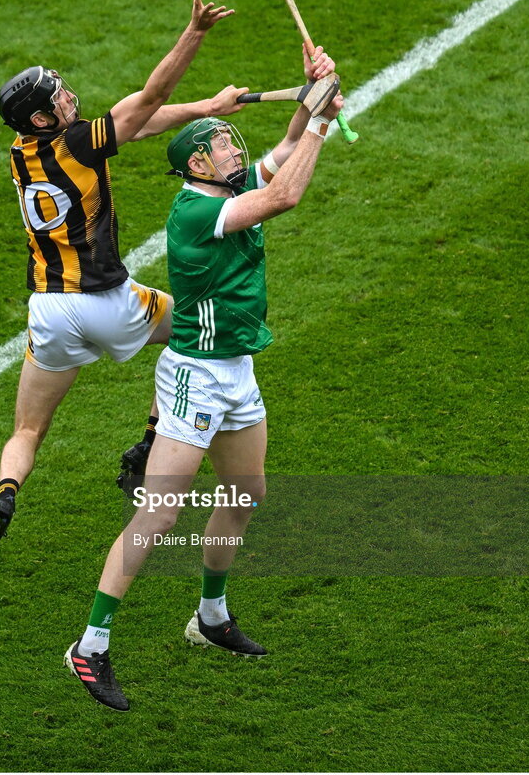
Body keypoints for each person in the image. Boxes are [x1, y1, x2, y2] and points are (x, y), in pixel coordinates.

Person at [64, 44, 343, 711]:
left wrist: (314, 94)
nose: (232, 149)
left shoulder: (229, 186)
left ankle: (210, 618)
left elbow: (283, 148)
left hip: (236, 371)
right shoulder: (195, 212)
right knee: (159, 513)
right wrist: (325, 121)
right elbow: (286, 192)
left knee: (245, 494)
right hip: (193, 376)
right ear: (196, 164)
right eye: (222, 144)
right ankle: (89, 646)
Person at [0, 0, 247, 565]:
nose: (69, 97)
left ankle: (4, 498)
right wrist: (194, 34)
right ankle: (147, 444)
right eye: (58, 97)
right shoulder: (75, 142)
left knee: (27, 431)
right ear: (43, 118)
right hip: (108, 303)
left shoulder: (23, 151)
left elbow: (135, 123)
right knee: (196, 326)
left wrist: (206, 108)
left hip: (48, 311)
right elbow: (147, 97)